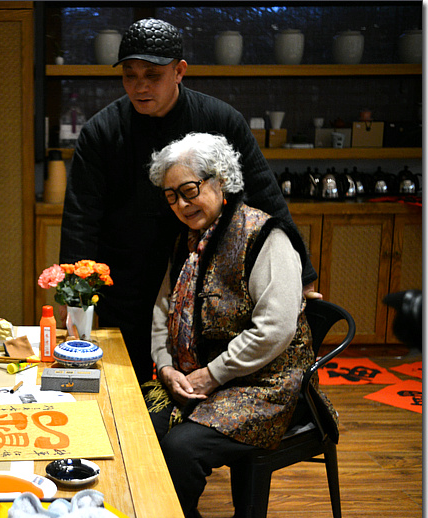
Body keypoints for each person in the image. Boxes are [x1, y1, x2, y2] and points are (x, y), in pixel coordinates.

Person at [59, 18, 318, 384]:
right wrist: (76, 298)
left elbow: (265, 193)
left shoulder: (220, 119)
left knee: (194, 374)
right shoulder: (102, 131)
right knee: (125, 381)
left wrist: (303, 275)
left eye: (152, 75)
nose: (139, 86)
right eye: (129, 75)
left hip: (203, 269)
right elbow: (81, 219)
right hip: (126, 272)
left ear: (179, 71)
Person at [141, 132, 336, 518]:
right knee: (138, 426)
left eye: (190, 190)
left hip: (266, 387)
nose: (181, 204)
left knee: (181, 449)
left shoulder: (266, 236)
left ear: (221, 180)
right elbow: (162, 310)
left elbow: (275, 328)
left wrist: (212, 374)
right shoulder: (187, 240)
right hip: (196, 378)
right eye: (171, 195)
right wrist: (165, 368)